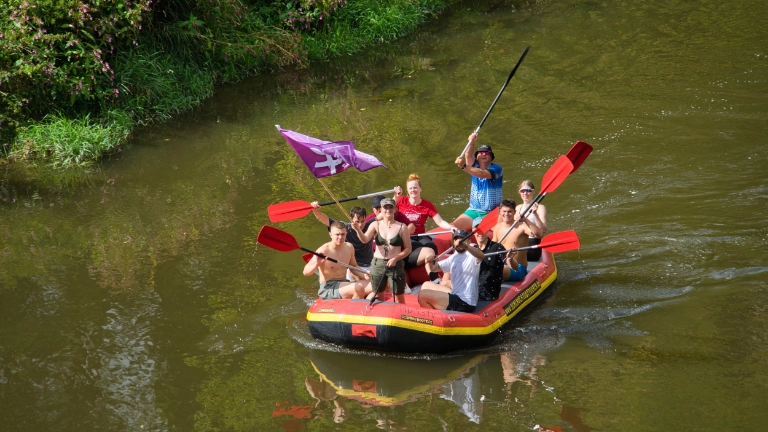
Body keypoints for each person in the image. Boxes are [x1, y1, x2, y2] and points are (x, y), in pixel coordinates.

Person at [353, 198, 412, 303]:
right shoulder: (375, 224)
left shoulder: (402, 227)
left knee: (399, 298)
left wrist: (395, 259)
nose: (388, 210)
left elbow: (408, 248)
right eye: (385, 207)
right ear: (381, 210)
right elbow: (365, 240)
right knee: (379, 297)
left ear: (395, 209)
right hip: (378, 264)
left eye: (391, 207)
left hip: (395, 264)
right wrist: (358, 230)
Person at [394, 173, 456, 270]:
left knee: (432, 247)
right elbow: (388, 209)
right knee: (418, 247)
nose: (413, 190)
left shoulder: (427, 205)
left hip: (420, 235)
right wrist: (396, 196)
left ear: (420, 189)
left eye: (415, 188)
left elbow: (440, 222)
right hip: (407, 235)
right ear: (407, 190)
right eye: (410, 188)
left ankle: (431, 267)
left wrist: (450, 227)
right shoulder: (401, 200)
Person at [418, 230, 484, 312]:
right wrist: (431, 262)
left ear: (469, 241)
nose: (459, 241)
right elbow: (435, 268)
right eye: (456, 239)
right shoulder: (454, 257)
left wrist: (466, 245)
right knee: (426, 285)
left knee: (423, 295)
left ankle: (435, 317)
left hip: (465, 301)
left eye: (462, 239)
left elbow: (481, 256)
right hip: (455, 295)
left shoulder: (471, 252)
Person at [303, 221, 371, 299]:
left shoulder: (349, 247)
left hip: (344, 282)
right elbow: (306, 272)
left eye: (343, 234)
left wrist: (364, 274)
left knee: (376, 287)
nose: (340, 237)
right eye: (337, 234)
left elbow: (354, 266)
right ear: (330, 235)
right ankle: (356, 304)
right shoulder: (324, 250)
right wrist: (317, 263)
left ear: (346, 234)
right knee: (359, 288)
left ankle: (364, 304)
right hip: (328, 287)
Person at [451, 133, 504, 231]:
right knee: (454, 228)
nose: (484, 154)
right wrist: (472, 142)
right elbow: (468, 155)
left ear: (491, 157)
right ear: (477, 156)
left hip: (492, 211)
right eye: (481, 152)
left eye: (487, 153)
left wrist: (464, 166)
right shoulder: (473, 167)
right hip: (474, 210)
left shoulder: (497, 168)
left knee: (499, 231)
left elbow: (483, 174)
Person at [310, 204, 373, 281]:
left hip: (370, 264)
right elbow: (325, 220)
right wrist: (315, 210)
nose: (360, 225)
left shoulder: (370, 226)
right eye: (357, 222)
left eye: (363, 221)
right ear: (351, 219)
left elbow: (383, 215)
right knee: (359, 279)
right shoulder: (344, 228)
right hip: (353, 266)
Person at [492, 199, 541, 281]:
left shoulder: (522, 227)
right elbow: (492, 247)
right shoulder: (497, 227)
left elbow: (538, 234)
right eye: (504, 211)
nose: (506, 214)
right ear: (500, 211)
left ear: (515, 212)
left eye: (509, 212)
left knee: (496, 270)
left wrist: (525, 219)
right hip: (502, 263)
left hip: (518, 268)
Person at [472, 218, 518, 301]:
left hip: (489, 293)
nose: (480, 232)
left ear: (487, 231)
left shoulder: (497, 247)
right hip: (474, 290)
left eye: (483, 229)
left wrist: (510, 259)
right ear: (473, 231)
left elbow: (515, 267)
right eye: (477, 229)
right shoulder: (472, 249)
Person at [514, 180, 547, 261]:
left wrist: (535, 214)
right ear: (520, 192)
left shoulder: (540, 208)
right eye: (523, 191)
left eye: (528, 190)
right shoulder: (517, 208)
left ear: (533, 192)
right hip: (519, 242)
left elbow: (543, 230)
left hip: (532, 243)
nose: (525, 193)